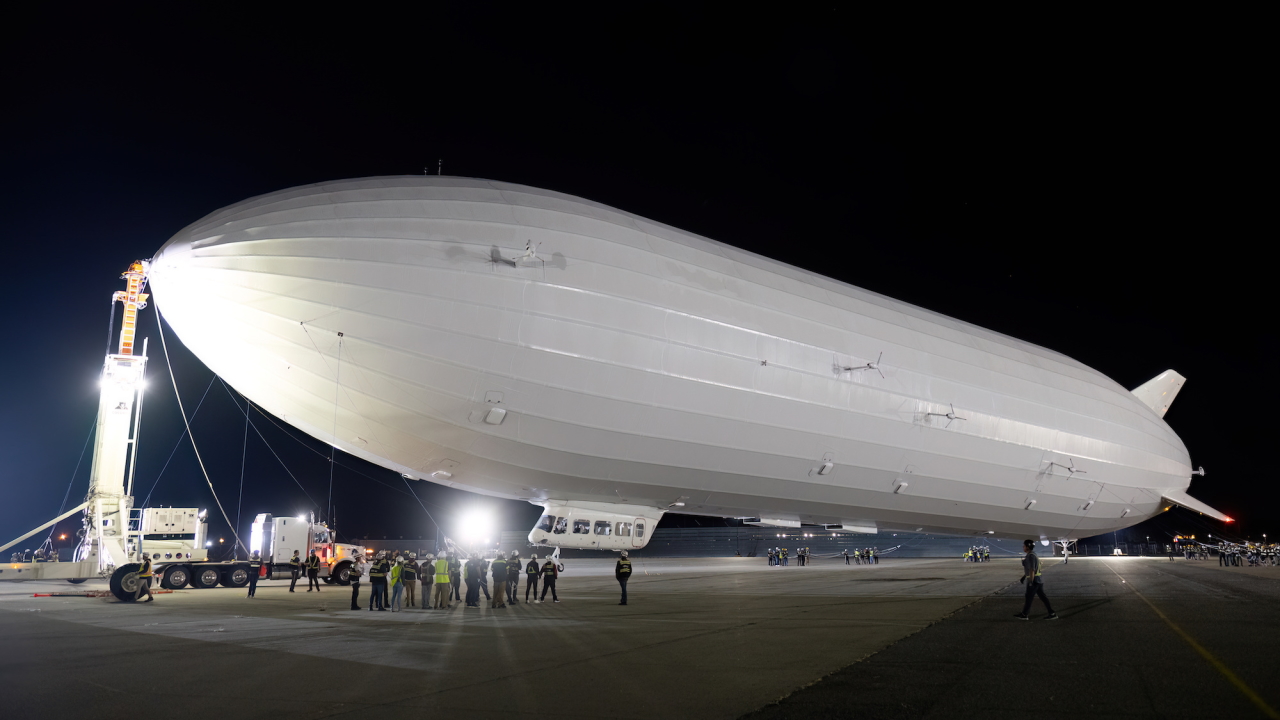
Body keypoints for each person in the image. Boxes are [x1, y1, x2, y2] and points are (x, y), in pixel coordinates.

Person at [1015, 539, 1058, 620]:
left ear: (1027, 547)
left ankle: (1024, 614)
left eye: (1024, 546)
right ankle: (1052, 613)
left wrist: (1031, 581)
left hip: (1034, 580)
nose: (1023, 547)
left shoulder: (1031, 556)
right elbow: (1030, 569)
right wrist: (1024, 577)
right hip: (1038, 580)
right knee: (1042, 597)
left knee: (1029, 597)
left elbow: (1032, 569)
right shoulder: (1032, 555)